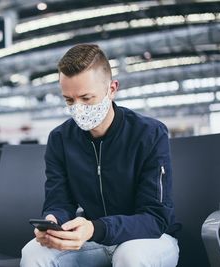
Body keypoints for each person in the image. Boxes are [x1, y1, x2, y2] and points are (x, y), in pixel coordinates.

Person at [20, 44, 180, 267]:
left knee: (130, 256)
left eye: (86, 98)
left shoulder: (150, 134)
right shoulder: (60, 139)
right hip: (93, 239)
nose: (78, 108)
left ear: (112, 89)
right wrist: (53, 222)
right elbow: (59, 201)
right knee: (34, 253)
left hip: (148, 238)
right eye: (69, 100)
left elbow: (156, 218)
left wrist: (96, 227)